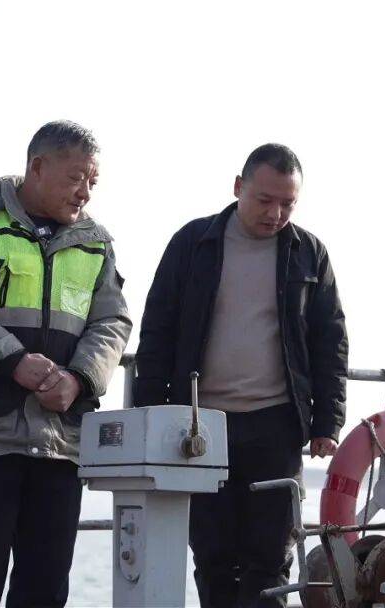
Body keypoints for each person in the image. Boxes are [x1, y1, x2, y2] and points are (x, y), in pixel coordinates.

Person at [0, 120, 132, 608]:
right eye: (76, 178)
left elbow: (113, 321)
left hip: (59, 441)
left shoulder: (95, 241)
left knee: (45, 589)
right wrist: (11, 360)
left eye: (93, 181)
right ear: (37, 167)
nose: (85, 192)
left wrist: (80, 379)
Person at [133, 143, 348, 607]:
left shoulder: (310, 253)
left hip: (276, 424)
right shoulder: (192, 243)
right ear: (238, 187)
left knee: (270, 560)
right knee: (213, 556)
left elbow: (330, 340)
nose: (275, 214)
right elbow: (157, 331)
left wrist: (327, 422)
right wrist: (148, 417)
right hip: (200, 426)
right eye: (265, 200)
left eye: (287, 204)